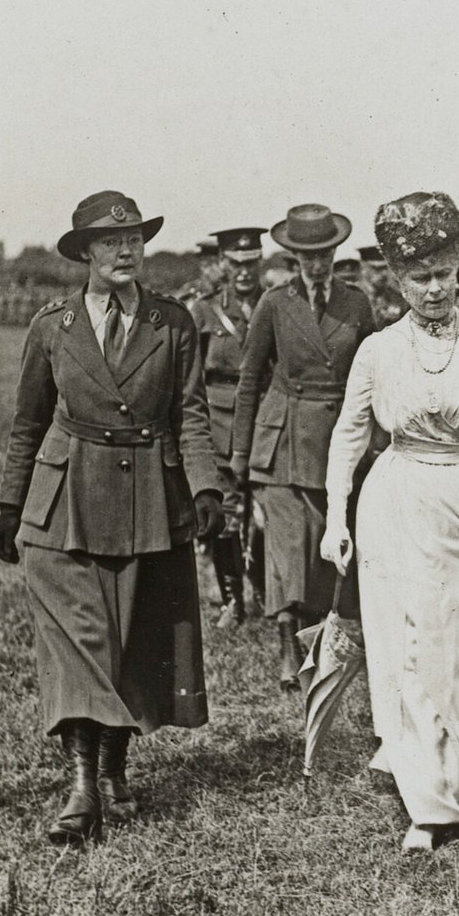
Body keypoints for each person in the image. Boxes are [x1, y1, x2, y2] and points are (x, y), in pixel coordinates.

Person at [0, 190, 224, 844]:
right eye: (110, 242)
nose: (126, 251)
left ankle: (115, 761)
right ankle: (82, 786)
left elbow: (192, 413)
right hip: (65, 504)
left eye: (134, 240)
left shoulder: (172, 323)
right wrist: (12, 504)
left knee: (131, 638)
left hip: (150, 497)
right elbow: (28, 422)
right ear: (85, 253)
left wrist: (205, 489)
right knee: (78, 641)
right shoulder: (52, 327)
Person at [320, 191, 459, 854]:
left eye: (444, 273)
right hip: (395, 504)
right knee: (407, 651)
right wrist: (336, 516)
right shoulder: (380, 350)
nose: (435, 288)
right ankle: (434, 802)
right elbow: (349, 436)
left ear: (458, 273)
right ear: (396, 279)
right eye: (419, 277)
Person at [232, 203, 376, 688]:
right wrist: (239, 454)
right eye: (306, 256)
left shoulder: (356, 304)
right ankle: (285, 644)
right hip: (284, 439)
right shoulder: (274, 303)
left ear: (335, 252)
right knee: (286, 546)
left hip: (336, 439)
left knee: (321, 550)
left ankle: (317, 641)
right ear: (293, 257)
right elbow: (249, 380)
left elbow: (373, 375)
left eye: (324, 253)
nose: (316, 264)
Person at [193, 226, 267, 626]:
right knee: (227, 513)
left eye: (251, 263)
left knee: (265, 515)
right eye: (236, 263)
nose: (243, 272)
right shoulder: (205, 310)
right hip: (220, 416)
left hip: (264, 418)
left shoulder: (274, 304)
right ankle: (232, 599)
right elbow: (192, 377)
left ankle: (262, 591)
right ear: (224, 263)